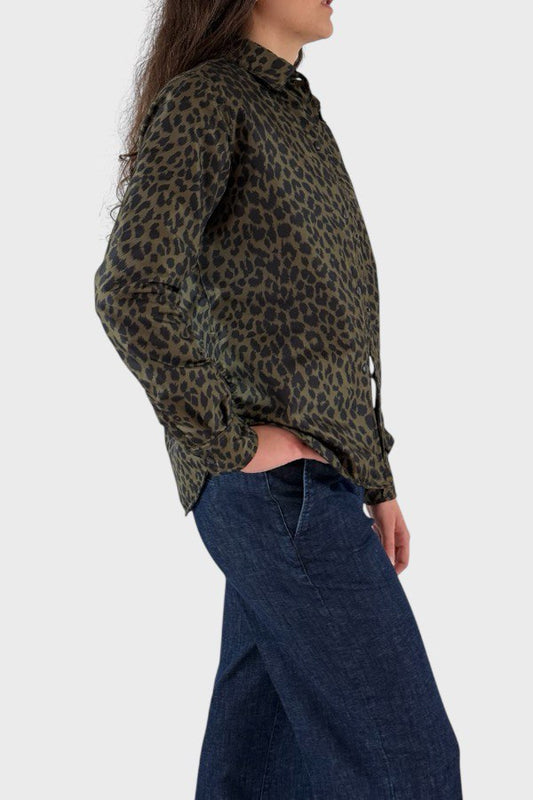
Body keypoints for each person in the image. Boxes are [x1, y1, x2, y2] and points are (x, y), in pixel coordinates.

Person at [94, 0, 462, 796]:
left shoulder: (286, 107)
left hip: (307, 485)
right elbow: (130, 287)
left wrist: (375, 478)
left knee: (255, 771)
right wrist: (227, 442)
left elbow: (330, 326)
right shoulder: (209, 100)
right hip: (279, 494)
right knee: (411, 767)